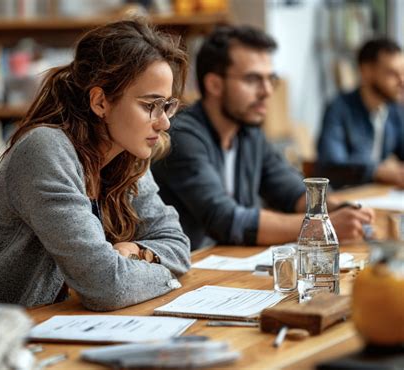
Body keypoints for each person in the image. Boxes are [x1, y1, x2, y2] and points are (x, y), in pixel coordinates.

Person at [0, 20, 191, 310]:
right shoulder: (45, 150)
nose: (164, 122)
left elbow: (177, 245)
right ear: (100, 102)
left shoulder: (128, 155)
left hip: (56, 326)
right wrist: (165, 275)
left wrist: (138, 251)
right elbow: (106, 286)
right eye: (150, 105)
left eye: (167, 105)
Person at [152, 25, 374, 251]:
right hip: (188, 273)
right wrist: (321, 225)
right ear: (214, 84)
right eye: (253, 79)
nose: (267, 91)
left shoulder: (248, 131)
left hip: (227, 269)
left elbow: (290, 192)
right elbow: (225, 220)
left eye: (270, 79)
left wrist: (335, 208)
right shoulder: (181, 136)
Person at [317, 37, 404, 189]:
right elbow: (332, 165)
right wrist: (379, 171)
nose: (401, 81)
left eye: (403, 73)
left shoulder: (393, 110)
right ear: (366, 71)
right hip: (345, 197)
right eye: (392, 73)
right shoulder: (339, 108)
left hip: (378, 195)